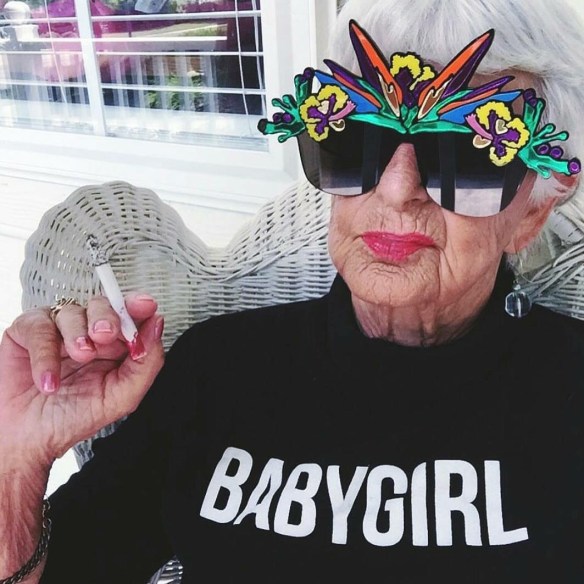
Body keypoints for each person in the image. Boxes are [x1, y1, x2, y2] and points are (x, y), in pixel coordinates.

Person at [1, 0, 583, 582]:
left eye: (468, 153)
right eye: (360, 134)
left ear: (534, 211)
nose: (396, 188)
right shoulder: (217, 367)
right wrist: (16, 461)